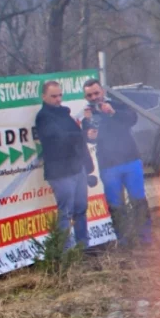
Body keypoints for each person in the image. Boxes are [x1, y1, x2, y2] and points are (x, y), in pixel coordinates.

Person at [82, 79, 151, 245]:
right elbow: (88, 138)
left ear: (102, 91)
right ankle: (124, 240)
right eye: (89, 95)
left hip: (130, 160)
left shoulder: (117, 105)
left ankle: (145, 237)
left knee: (138, 199)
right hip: (108, 166)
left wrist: (113, 112)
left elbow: (132, 119)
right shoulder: (87, 116)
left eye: (96, 93)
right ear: (86, 97)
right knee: (115, 205)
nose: (94, 97)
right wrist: (89, 136)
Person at [35, 81, 94, 250]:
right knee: (66, 213)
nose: (58, 99)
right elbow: (59, 138)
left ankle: (83, 247)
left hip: (77, 168)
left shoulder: (64, 113)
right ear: (44, 97)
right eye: (54, 96)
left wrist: (87, 165)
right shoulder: (43, 117)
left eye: (60, 95)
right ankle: (66, 252)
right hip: (60, 172)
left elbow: (76, 139)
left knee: (80, 209)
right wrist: (82, 133)